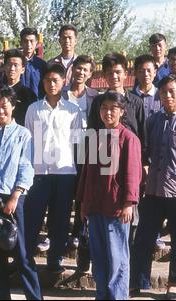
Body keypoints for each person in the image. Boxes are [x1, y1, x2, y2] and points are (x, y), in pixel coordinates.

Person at [130, 74, 176, 300]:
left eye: (172, 91)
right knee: (143, 237)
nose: (168, 96)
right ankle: (137, 281)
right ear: (159, 96)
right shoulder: (153, 121)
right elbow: (147, 152)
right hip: (154, 190)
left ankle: (174, 283)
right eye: (163, 92)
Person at [0, 86, 42, 300]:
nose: (0, 111)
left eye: (4, 106)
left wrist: (15, 196)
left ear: (13, 106)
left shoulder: (23, 135)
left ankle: (35, 300)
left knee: (22, 255)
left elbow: (26, 167)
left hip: (15, 201)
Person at [76, 91, 142, 300]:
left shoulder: (129, 138)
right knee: (99, 258)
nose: (107, 112)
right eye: (104, 108)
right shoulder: (96, 137)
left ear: (122, 111)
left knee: (117, 260)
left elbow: (133, 173)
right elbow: (87, 175)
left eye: (113, 108)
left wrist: (129, 203)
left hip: (116, 209)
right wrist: (83, 204)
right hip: (95, 207)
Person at [24, 63, 83, 273]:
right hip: (38, 173)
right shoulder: (33, 109)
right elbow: (29, 142)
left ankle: (55, 259)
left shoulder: (73, 111)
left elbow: (78, 144)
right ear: (43, 82)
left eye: (55, 80)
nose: (51, 84)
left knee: (60, 220)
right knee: (33, 218)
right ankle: (26, 259)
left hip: (65, 173)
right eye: (47, 80)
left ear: (64, 82)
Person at [88, 52, 147, 248]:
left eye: (118, 72)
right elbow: (91, 134)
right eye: (109, 73)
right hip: (104, 168)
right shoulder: (98, 103)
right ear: (104, 75)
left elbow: (142, 134)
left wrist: (144, 164)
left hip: (129, 168)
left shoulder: (136, 103)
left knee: (130, 218)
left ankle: (125, 266)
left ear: (125, 74)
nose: (114, 76)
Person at [62, 55, 99, 273]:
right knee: (67, 193)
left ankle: (80, 234)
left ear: (90, 73)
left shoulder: (95, 96)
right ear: (72, 69)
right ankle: (65, 234)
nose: (81, 73)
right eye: (78, 68)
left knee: (84, 194)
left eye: (86, 70)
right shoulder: (62, 94)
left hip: (89, 148)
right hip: (64, 149)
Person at [131, 54, 166, 250]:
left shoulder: (162, 96)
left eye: (149, 70)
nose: (145, 74)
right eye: (141, 70)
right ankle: (136, 234)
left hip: (159, 156)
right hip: (135, 156)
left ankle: (156, 234)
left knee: (156, 198)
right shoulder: (129, 98)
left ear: (155, 72)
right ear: (135, 73)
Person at [0, 49, 37, 125]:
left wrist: (38, 136)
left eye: (16, 65)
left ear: (23, 69)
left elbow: (36, 121)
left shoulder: (29, 95)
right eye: (9, 65)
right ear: (4, 67)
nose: (12, 69)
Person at [20, 27, 47, 99]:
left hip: (37, 105)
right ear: (21, 43)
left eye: (31, 41)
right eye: (25, 41)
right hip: (18, 105)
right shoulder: (15, 64)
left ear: (36, 42)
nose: (28, 44)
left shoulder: (42, 65)